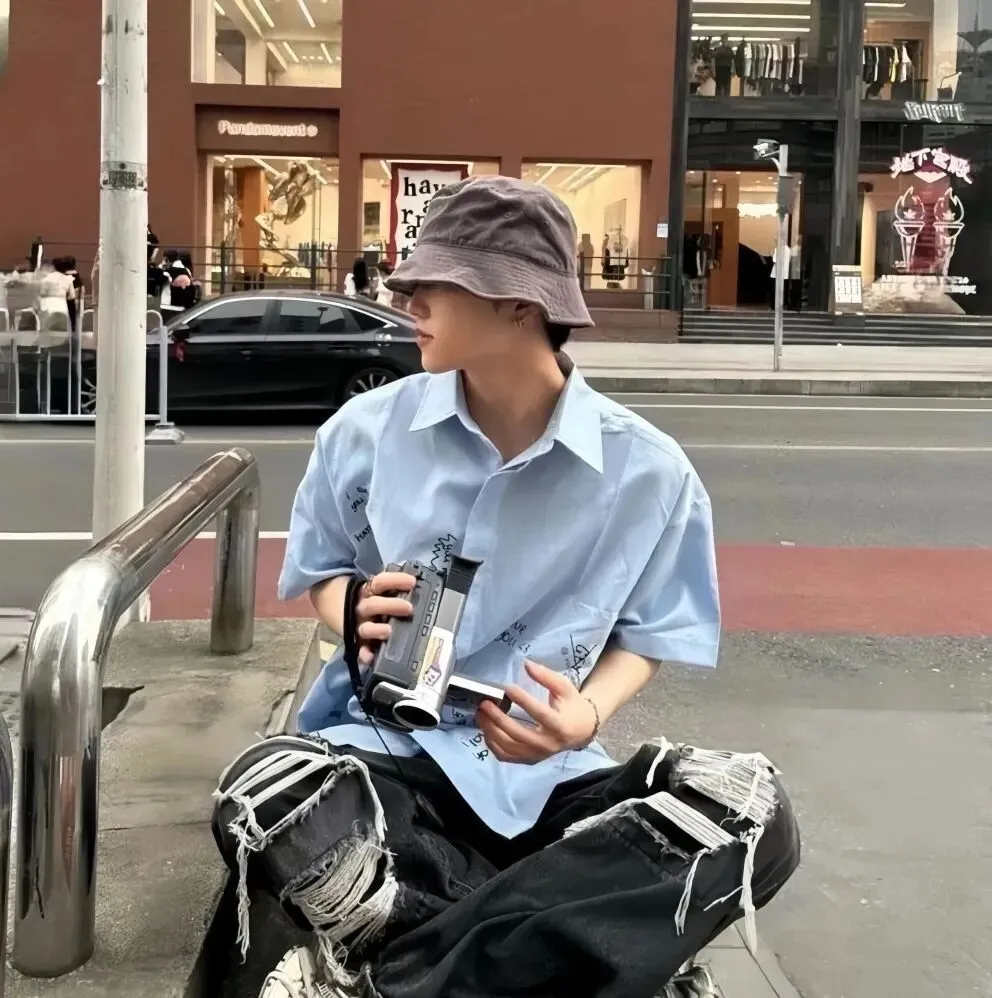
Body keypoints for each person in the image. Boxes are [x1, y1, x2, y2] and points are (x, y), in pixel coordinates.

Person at [212, 177, 800, 998]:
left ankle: (390, 969)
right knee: (265, 792)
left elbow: (650, 633)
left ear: (521, 304)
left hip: (552, 777)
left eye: (435, 283)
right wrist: (351, 608)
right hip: (384, 756)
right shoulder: (363, 433)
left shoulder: (650, 471)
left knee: (753, 813)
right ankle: (554, 945)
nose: (406, 299)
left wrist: (585, 715)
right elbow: (320, 570)